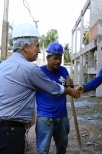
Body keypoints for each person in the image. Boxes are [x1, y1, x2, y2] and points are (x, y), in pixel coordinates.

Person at [0, 23, 81, 154]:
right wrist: (70, 91)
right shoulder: (30, 69)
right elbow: (54, 89)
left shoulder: (4, 65)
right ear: (26, 47)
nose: (38, 50)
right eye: (37, 46)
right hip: (11, 131)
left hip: (8, 127)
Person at [35, 42, 73, 154]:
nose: (58, 61)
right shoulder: (39, 72)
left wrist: (70, 85)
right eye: (55, 58)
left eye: (60, 58)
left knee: (62, 148)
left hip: (62, 116)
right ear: (47, 58)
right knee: (42, 150)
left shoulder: (64, 71)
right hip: (45, 117)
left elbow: (68, 89)